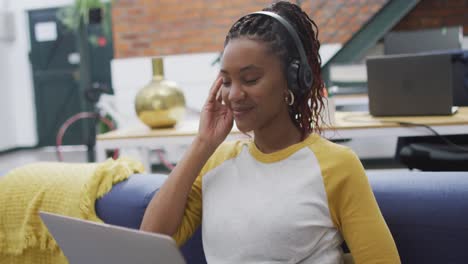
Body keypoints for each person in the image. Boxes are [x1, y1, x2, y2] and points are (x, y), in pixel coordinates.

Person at [140, 1, 400, 263]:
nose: (235, 94)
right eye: (227, 81)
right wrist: (203, 143)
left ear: (293, 79)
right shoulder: (215, 162)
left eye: (250, 79)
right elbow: (151, 240)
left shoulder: (337, 166)